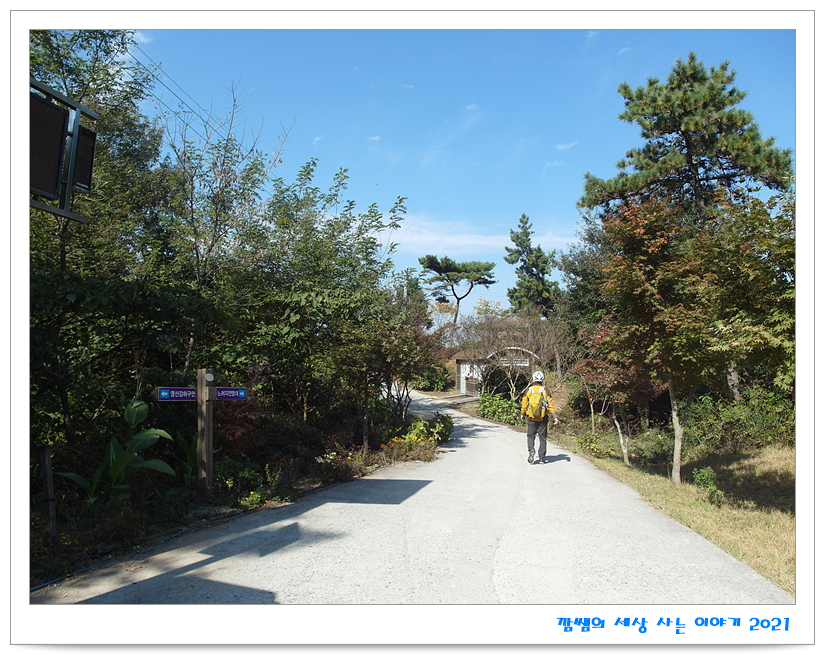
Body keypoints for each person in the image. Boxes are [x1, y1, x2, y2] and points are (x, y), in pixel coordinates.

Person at [520, 371, 559, 464]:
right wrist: (555, 416)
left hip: (531, 418)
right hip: (543, 418)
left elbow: (524, 404)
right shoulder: (545, 390)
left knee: (531, 436)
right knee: (543, 438)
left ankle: (531, 449)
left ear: (533, 379)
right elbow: (550, 404)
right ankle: (542, 458)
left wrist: (522, 414)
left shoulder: (529, 390)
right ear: (542, 379)